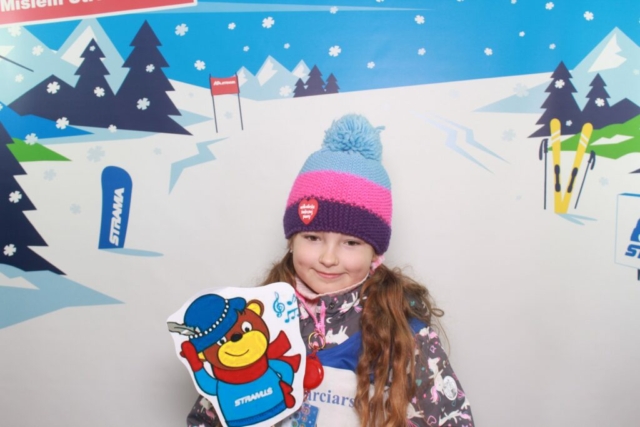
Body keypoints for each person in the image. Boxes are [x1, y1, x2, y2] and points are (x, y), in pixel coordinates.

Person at [186, 114, 474, 427]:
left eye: (350, 243)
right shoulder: (251, 322)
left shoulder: (404, 332)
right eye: (313, 238)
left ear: (375, 254)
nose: (328, 258)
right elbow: (206, 418)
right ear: (292, 240)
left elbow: (453, 419)